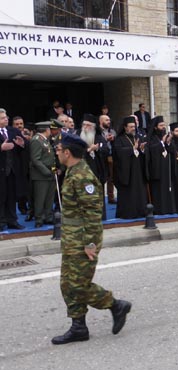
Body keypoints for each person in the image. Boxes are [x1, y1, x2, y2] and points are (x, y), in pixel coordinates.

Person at [51, 134, 131, 345]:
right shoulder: (71, 172)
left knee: (78, 285)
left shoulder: (83, 176)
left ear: (67, 152)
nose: (56, 152)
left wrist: (91, 244)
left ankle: (116, 305)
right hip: (71, 240)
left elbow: (93, 214)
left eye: (59, 149)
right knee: (67, 284)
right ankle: (79, 327)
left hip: (83, 241)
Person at [112, 116, 147, 219]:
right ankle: (128, 213)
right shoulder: (119, 139)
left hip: (138, 172)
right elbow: (118, 153)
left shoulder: (137, 138)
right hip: (127, 173)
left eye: (134, 126)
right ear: (125, 128)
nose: (133, 128)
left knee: (139, 192)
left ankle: (140, 211)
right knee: (128, 194)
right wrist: (132, 149)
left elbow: (139, 153)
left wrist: (142, 149)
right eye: (131, 126)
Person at [0, 108, 26, 230]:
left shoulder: (13, 130)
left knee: (11, 196)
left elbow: (22, 148)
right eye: (3, 117)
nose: (6, 119)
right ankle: (1, 221)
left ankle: (12, 220)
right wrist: (1, 148)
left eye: (6, 117)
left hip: (12, 170)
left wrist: (21, 144)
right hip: (1, 170)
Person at [145, 116, 176, 215]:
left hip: (166, 169)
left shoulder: (164, 136)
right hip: (157, 170)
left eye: (164, 125)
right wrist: (162, 142)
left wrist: (168, 142)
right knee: (158, 191)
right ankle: (159, 210)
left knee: (167, 189)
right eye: (161, 125)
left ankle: (168, 208)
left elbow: (171, 151)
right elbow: (151, 150)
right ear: (155, 127)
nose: (163, 127)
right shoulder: (151, 138)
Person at [29, 121, 57, 228]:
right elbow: (35, 159)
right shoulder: (36, 140)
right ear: (47, 130)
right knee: (40, 198)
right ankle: (39, 218)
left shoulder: (45, 140)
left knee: (49, 197)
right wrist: (46, 171)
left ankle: (48, 216)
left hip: (50, 173)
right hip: (41, 175)